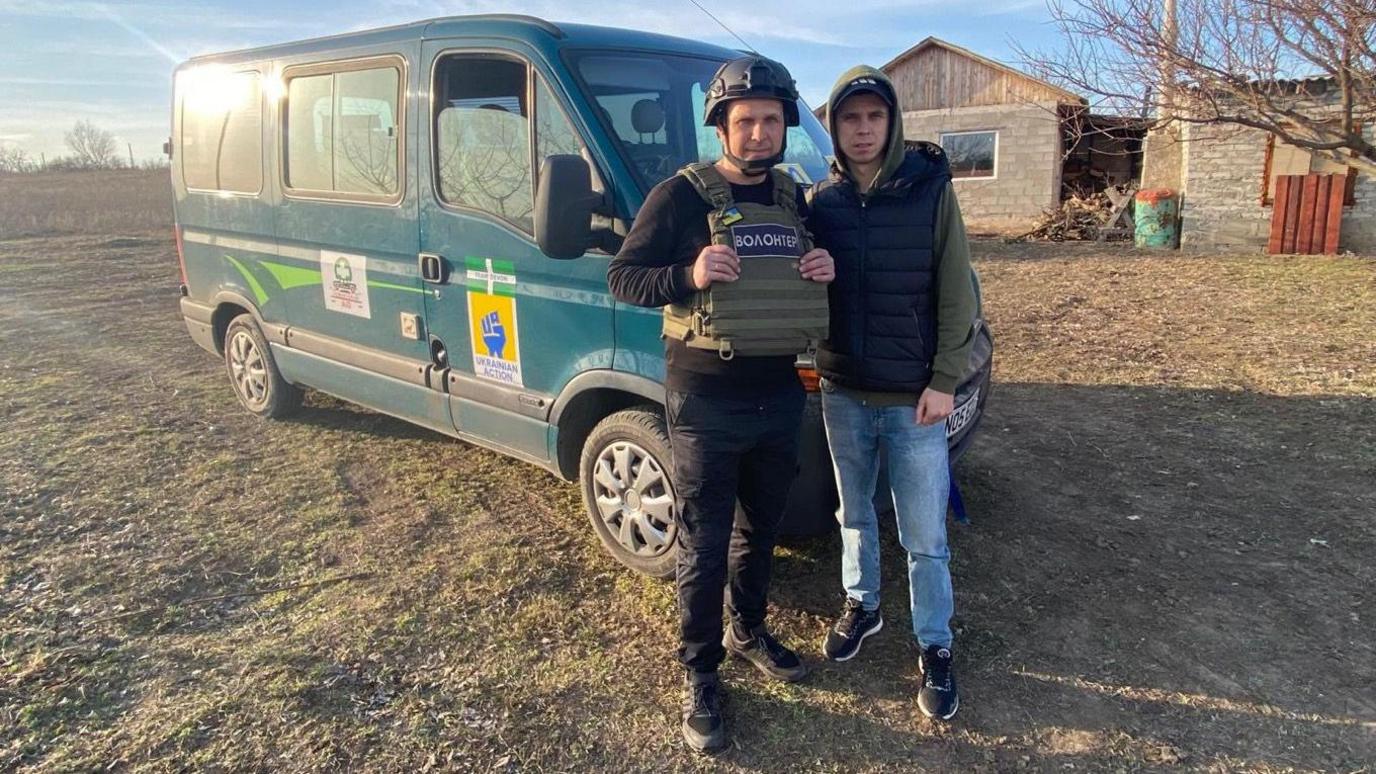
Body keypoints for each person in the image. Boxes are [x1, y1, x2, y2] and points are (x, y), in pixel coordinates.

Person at [606, 55, 834, 754]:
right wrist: (688, 272)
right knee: (704, 545)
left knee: (759, 529)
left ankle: (748, 630)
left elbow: (803, 277)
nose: (760, 132)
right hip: (705, 396)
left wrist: (825, 266)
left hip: (775, 392)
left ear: (784, 124)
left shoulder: (796, 199)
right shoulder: (679, 197)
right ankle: (701, 672)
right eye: (747, 121)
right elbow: (623, 277)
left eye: (771, 120)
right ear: (722, 127)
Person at [807, 65, 979, 722]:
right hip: (844, 390)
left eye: (873, 117)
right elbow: (803, 282)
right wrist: (809, 271)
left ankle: (935, 644)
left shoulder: (930, 190)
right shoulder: (820, 201)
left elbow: (957, 290)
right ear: (835, 126)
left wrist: (943, 380)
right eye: (849, 118)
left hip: (914, 399)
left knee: (924, 534)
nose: (862, 129)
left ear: (891, 121)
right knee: (854, 514)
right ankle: (863, 605)